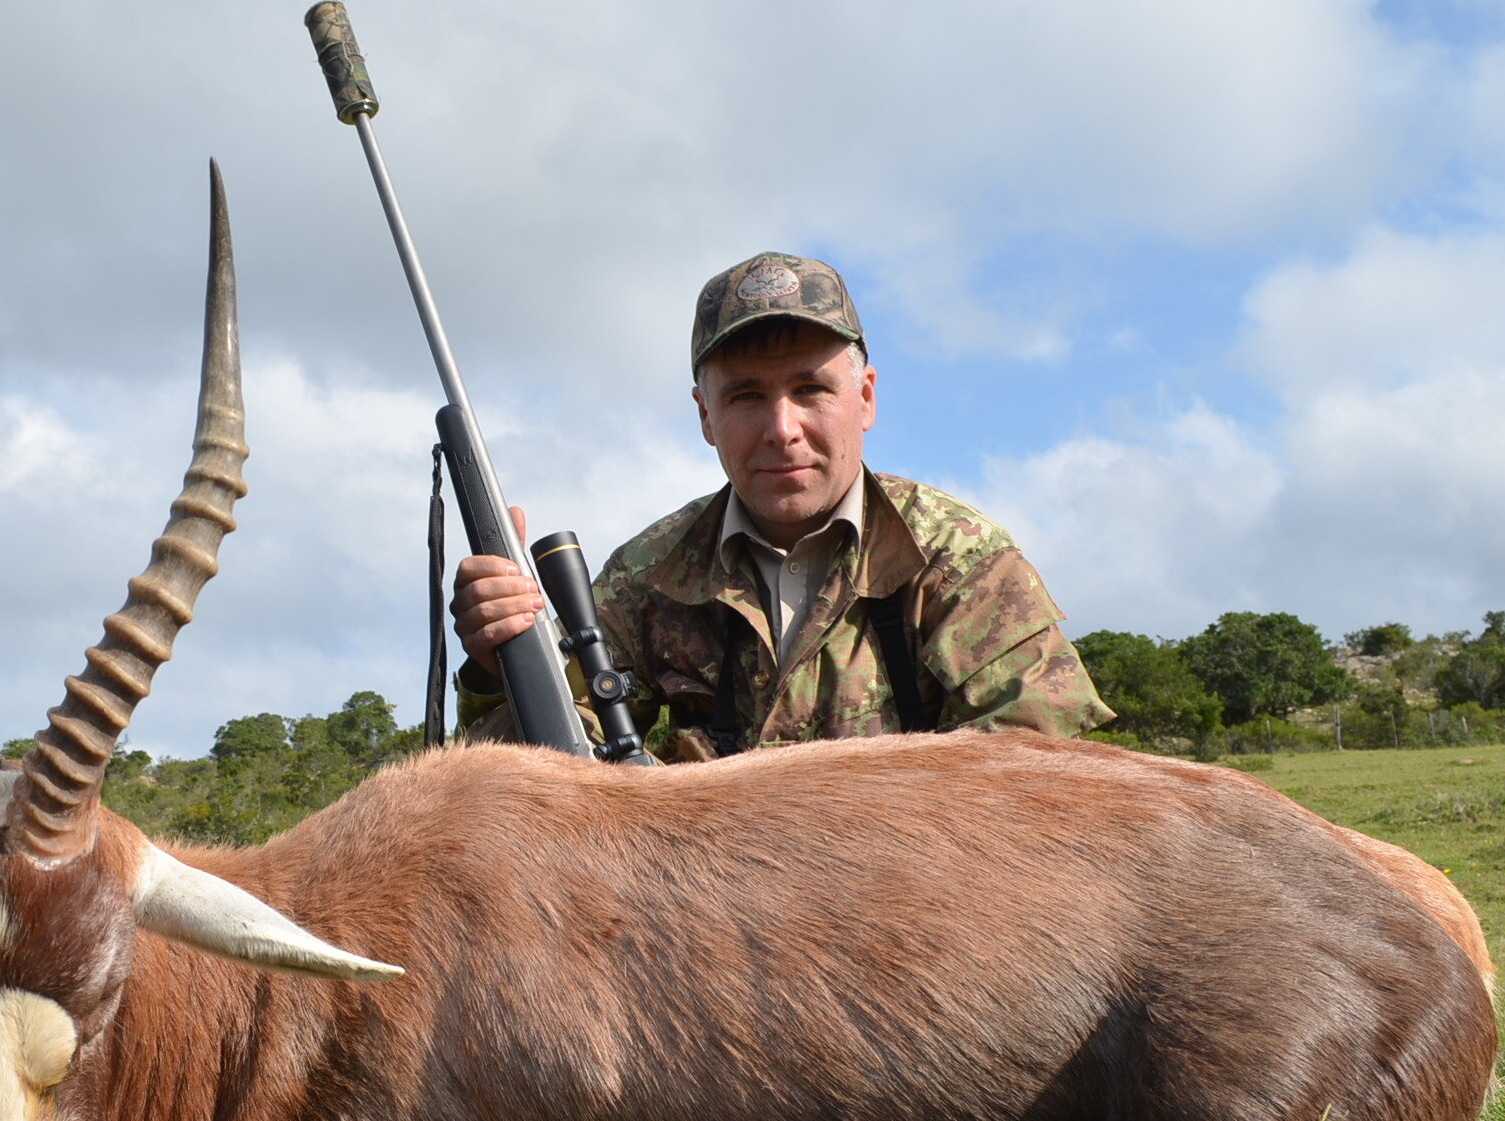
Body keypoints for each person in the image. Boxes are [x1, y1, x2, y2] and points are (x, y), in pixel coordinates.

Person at [451, 251, 1111, 759]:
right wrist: (499, 661)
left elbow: (1049, 789)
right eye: (744, 397)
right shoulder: (646, 577)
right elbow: (540, 796)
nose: (781, 428)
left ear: (866, 399)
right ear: (705, 415)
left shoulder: (960, 562)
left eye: (810, 388)